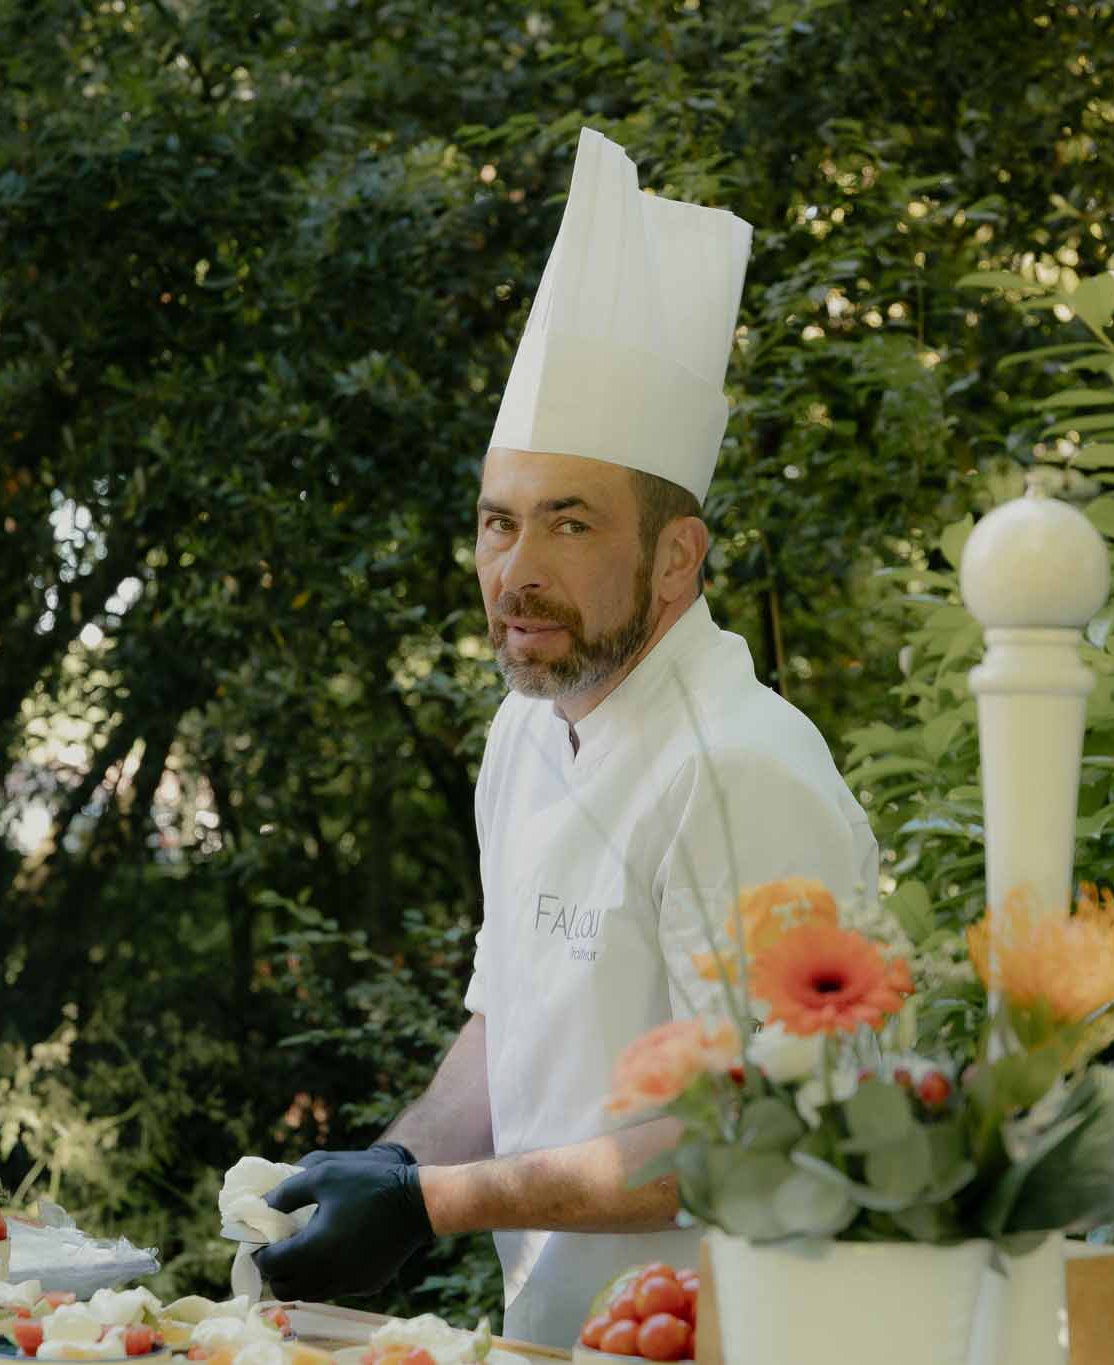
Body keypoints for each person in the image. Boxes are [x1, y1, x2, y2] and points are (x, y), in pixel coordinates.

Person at [252, 128, 879, 1349]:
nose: (516, 572)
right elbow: (508, 1027)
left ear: (675, 558)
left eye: (569, 524)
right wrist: (376, 1174)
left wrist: (428, 1204)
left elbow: (767, 1132)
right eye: (497, 524)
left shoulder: (743, 770)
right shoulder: (525, 734)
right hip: (551, 1337)